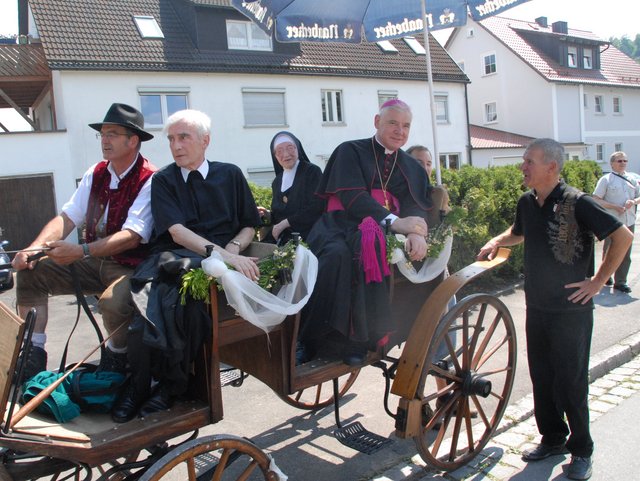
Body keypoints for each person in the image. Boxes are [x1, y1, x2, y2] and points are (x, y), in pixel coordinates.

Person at [477, 138, 633, 481]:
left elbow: (622, 237)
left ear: (552, 167)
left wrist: (598, 282)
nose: (523, 166)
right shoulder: (527, 201)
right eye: (524, 160)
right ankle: (553, 438)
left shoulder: (578, 202)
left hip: (571, 310)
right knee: (542, 377)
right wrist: (496, 241)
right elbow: (519, 232)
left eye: (529, 161)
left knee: (571, 382)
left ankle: (582, 450)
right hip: (537, 305)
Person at [111, 109, 261, 423]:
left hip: (216, 261)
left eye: (184, 137)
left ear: (205, 141)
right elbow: (176, 231)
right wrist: (221, 255)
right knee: (143, 306)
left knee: (190, 310)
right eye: (171, 139)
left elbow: (250, 224)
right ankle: (137, 386)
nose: (176, 145)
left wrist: (232, 250)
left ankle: (171, 386)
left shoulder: (230, 174)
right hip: (172, 257)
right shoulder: (163, 179)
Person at [12, 103, 157, 380]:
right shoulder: (96, 172)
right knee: (33, 272)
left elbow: (132, 236)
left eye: (112, 134)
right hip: (92, 260)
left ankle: (117, 356)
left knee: (114, 304)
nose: (104, 140)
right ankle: (32, 353)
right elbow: (67, 218)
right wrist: (34, 248)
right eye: (102, 134)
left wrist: (80, 250)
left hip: (130, 267)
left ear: (133, 140)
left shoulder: (150, 178)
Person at [299, 99, 432, 366]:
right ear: (376, 122)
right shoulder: (350, 150)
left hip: (375, 230)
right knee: (335, 255)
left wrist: (416, 233)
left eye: (406, 126)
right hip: (340, 223)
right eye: (393, 123)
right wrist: (395, 222)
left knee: (368, 243)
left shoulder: (412, 166)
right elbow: (352, 199)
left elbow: (416, 205)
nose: (400, 131)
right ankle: (312, 338)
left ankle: (359, 340)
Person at [259, 131, 324, 244]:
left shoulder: (312, 172)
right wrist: (268, 214)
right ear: (275, 156)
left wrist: (285, 223)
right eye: (279, 151)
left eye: (290, 148)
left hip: (310, 235)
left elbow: (317, 207)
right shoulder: (277, 181)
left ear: (297, 149)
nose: (286, 154)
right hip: (283, 237)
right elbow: (280, 214)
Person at [592, 151, 640, 293]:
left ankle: (621, 281)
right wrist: (614, 206)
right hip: (611, 222)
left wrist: (634, 201)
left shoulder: (633, 178)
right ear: (612, 163)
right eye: (619, 161)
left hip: (629, 220)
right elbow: (596, 199)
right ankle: (606, 276)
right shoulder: (606, 180)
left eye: (625, 161)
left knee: (625, 251)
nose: (623, 164)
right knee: (609, 250)